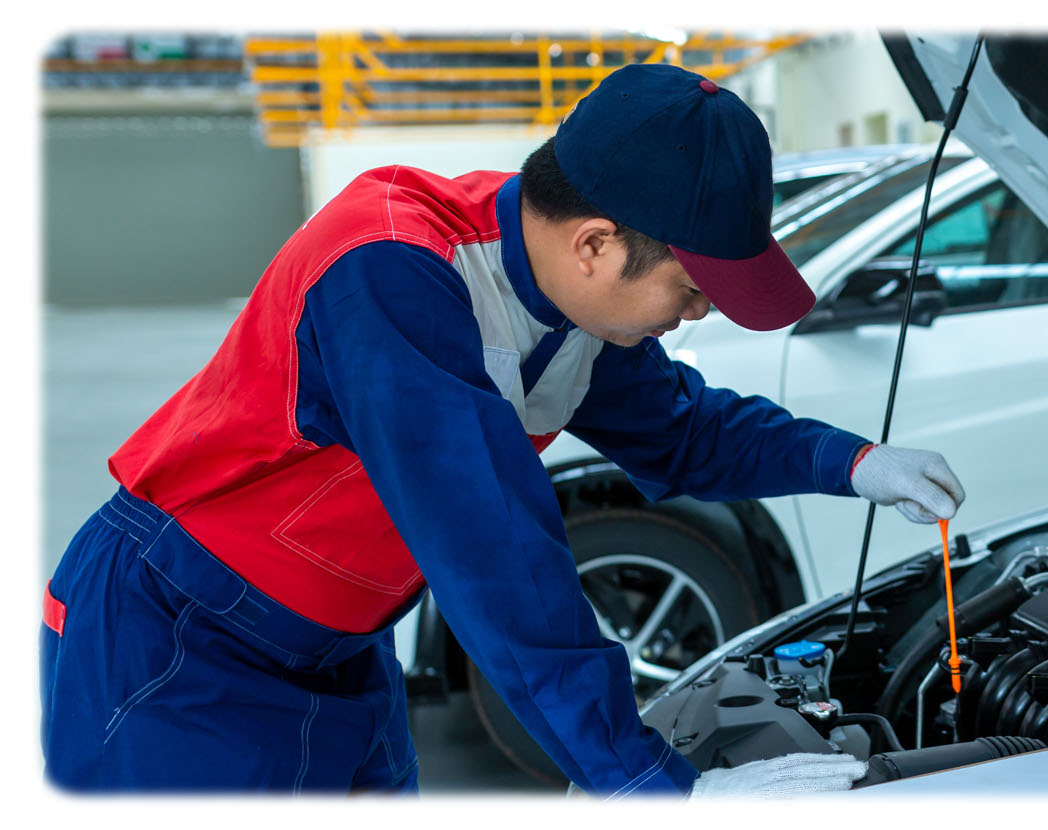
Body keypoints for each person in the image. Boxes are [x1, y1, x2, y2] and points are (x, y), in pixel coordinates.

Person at [39, 63, 964, 796]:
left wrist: (854, 461)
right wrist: (648, 783)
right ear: (596, 244)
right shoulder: (392, 271)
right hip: (176, 643)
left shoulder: (573, 304)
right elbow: (492, 550)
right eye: (690, 290)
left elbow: (683, 430)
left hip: (342, 648)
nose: (698, 315)